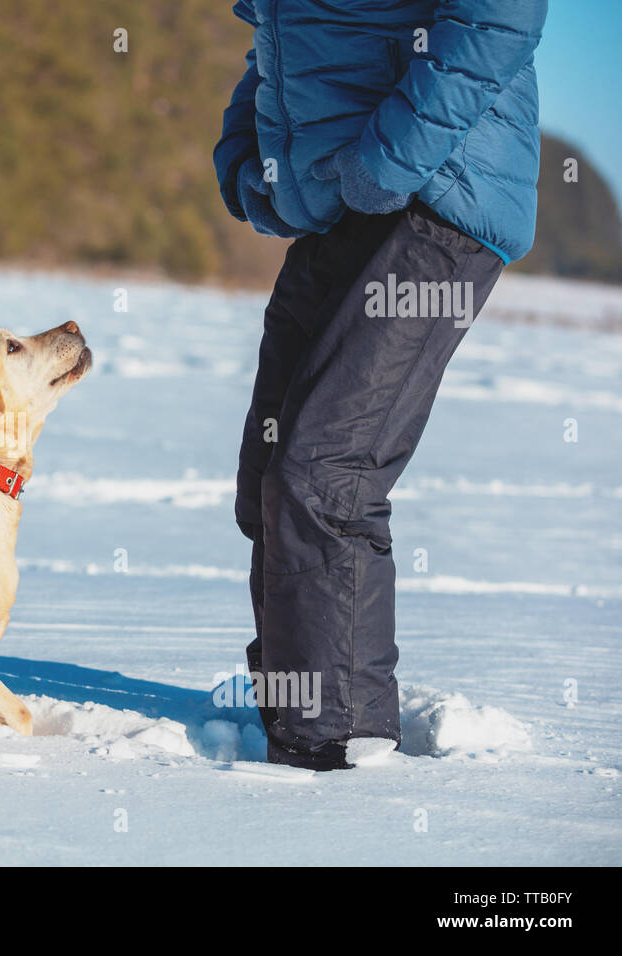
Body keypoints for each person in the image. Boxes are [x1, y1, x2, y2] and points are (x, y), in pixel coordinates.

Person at [213, 0, 548, 770]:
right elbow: (275, 38)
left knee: (323, 473)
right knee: (268, 479)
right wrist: (247, 154)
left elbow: (499, 17)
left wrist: (387, 162)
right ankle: (295, 713)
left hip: (437, 198)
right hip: (341, 207)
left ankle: (338, 746)